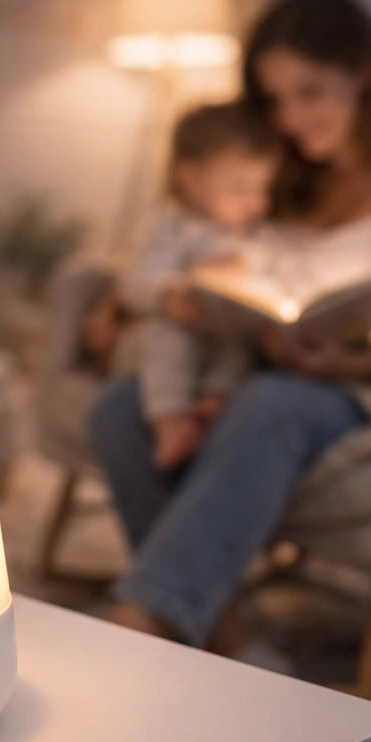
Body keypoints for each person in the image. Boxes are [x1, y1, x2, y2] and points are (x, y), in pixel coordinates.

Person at [87, 0, 371, 654]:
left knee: (277, 403)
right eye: (274, 100)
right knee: (120, 408)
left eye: (310, 92)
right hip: (256, 366)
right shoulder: (281, 173)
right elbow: (200, 251)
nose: (290, 118)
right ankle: (226, 633)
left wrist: (356, 359)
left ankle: (142, 622)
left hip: (365, 389)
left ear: (362, 73)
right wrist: (128, 300)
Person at [117, 101, 281, 469]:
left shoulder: (262, 239)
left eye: (262, 189)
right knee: (168, 340)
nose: (255, 202)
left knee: (241, 351)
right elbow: (137, 281)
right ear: (190, 179)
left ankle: (213, 402)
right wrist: (169, 293)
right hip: (185, 322)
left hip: (233, 330)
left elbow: (279, 280)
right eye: (240, 188)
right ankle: (170, 422)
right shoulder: (172, 230)